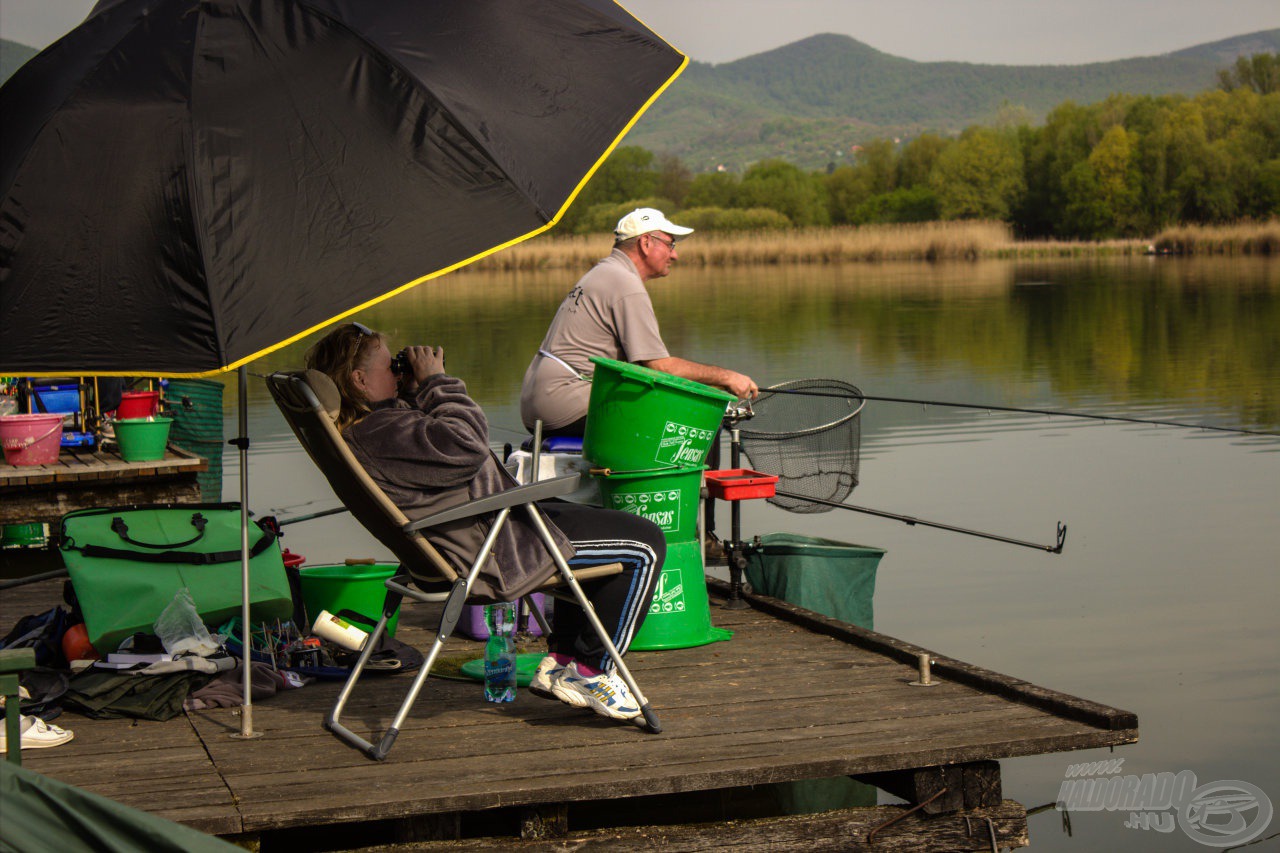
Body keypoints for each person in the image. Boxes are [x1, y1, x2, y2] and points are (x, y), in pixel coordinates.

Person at [305, 322, 664, 723]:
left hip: (484, 529)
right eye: (389, 366)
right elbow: (468, 445)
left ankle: (563, 661)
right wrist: (438, 381)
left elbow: (433, 443)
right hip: (495, 550)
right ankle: (591, 669)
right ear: (358, 379)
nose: (397, 370)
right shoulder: (386, 432)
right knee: (645, 544)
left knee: (603, 524)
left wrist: (411, 389)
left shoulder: (370, 428)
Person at [520, 207, 758, 437]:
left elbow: (645, 370)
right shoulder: (625, 284)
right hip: (564, 405)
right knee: (697, 422)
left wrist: (706, 385)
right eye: (670, 244)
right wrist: (727, 377)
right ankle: (693, 480)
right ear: (645, 243)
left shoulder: (604, 272)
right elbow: (660, 367)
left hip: (538, 402)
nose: (674, 254)